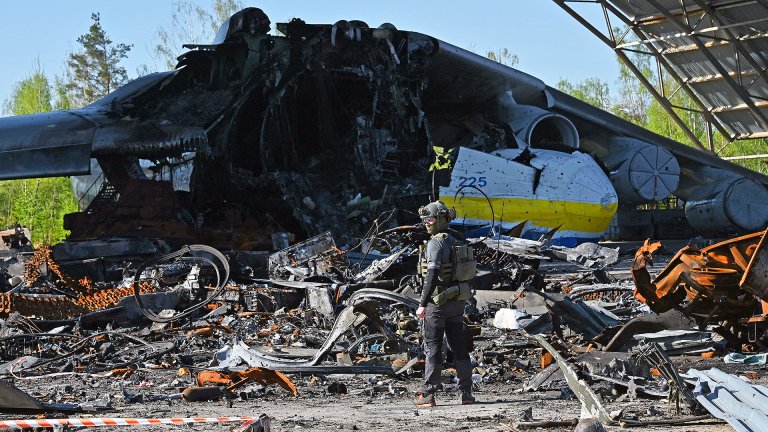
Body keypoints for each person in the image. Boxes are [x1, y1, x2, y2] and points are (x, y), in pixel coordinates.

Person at [414, 200, 477, 407]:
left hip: (437, 304)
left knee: (432, 346)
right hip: (457, 301)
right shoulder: (457, 239)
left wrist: (422, 304)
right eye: (424, 220)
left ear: (441, 219)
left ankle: (428, 394)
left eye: (430, 219)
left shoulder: (436, 243)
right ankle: (466, 393)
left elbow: (431, 275)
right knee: (458, 346)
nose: (426, 223)